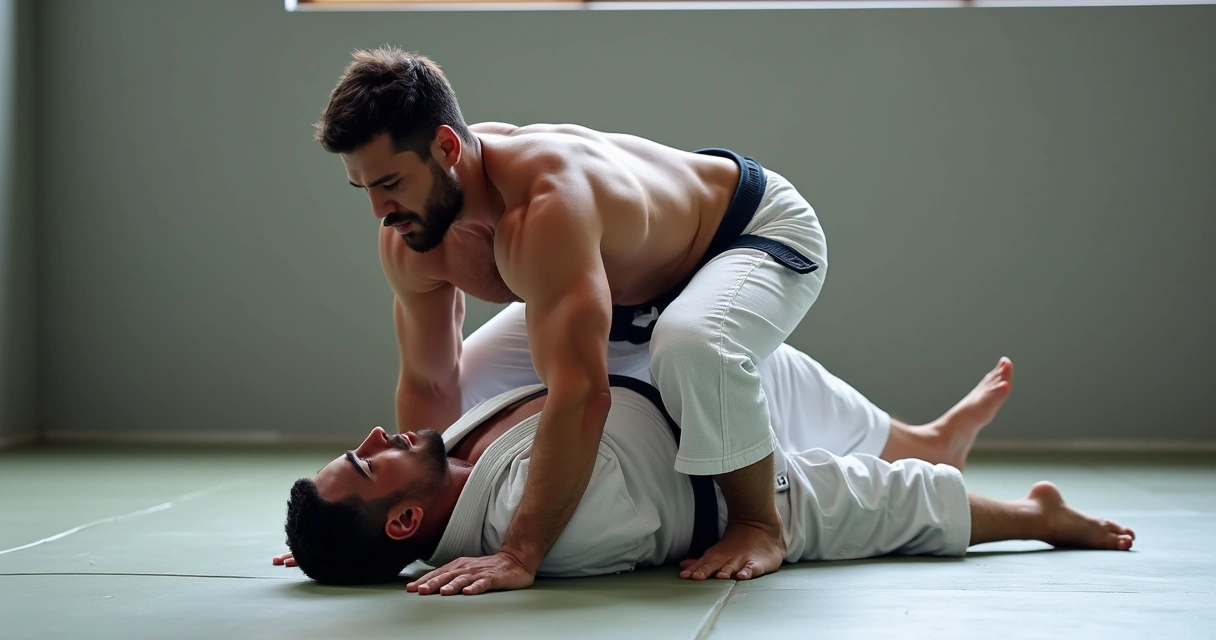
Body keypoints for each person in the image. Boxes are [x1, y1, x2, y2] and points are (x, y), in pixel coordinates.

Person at [315, 44, 841, 593]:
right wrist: (355, 538)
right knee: (477, 374)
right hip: (620, 296)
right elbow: (429, 382)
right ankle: (923, 440)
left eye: (391, 184)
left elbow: (583, 395)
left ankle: (759, 524)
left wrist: (520, 552)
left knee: (690, 345)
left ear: (446, 147)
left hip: (747, 234)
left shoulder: (543, 207)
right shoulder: (411, 239)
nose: (379, 211)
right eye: (364, 188)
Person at [273, 350, 1135, 592]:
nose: (380, 435)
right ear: (400, 520)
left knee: (799, 384)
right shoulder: (511, 527)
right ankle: (1039, 517)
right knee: (883, 502)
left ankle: (930, 437)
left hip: (681, 397)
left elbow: (384, 527)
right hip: (726, 490)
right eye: (366, 462)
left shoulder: (450, 489)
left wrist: (329, 547)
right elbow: (617, 516)